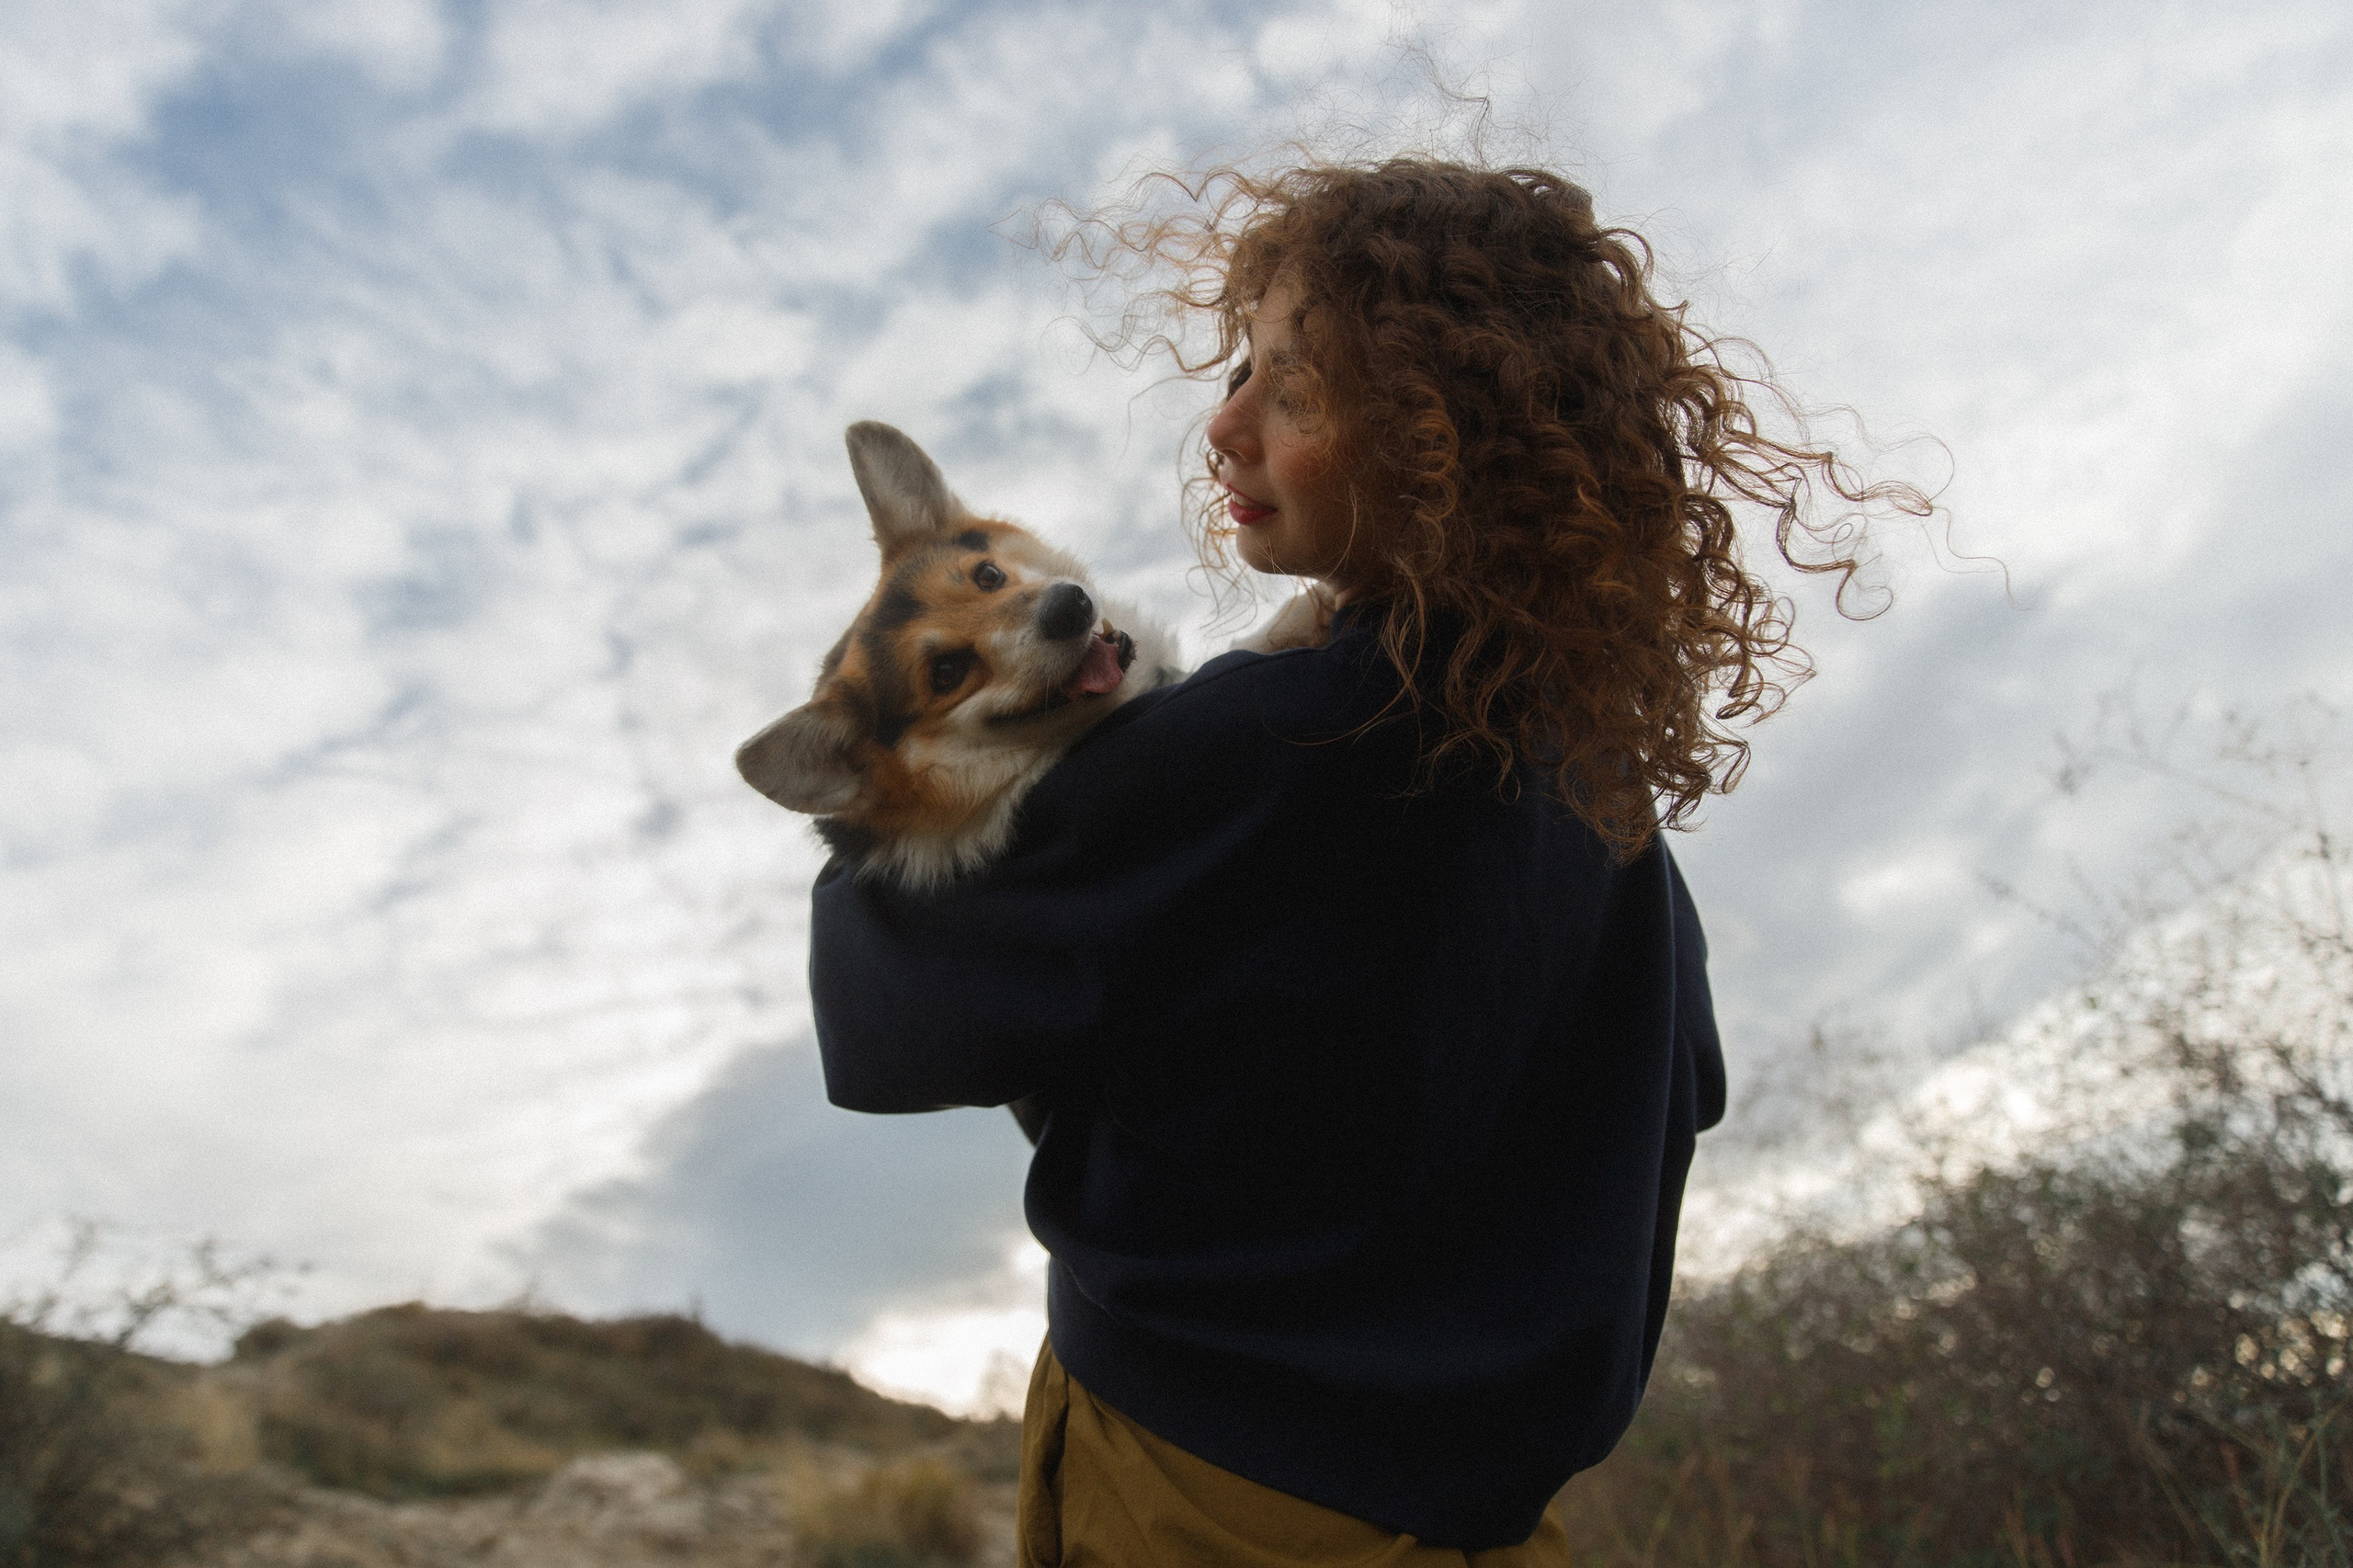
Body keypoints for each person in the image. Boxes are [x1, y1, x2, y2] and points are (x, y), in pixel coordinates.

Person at [808, 159, 1928, 1565]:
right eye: (1236, 370)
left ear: (1432, 433)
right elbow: (1679, 1084)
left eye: (1291, 386)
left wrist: (883, 769)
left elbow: (879, 1012)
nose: (1222, 426)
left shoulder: (1252, 746)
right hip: (1496, 1520)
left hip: (1202, 1493)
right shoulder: (1591, 766)